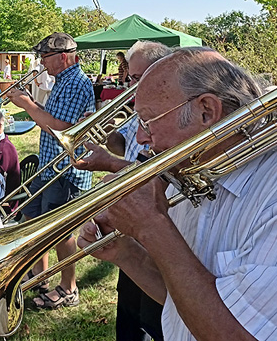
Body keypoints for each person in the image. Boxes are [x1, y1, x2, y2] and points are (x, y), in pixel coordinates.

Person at [78, 46, 277, 340]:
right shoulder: (190, 171)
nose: (139, 137)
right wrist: (125, 254)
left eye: (147, 120)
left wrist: (152, 226)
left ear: (206, 111)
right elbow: (185, 297)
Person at [74, 41, 172, 341]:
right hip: (130, 225)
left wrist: (111, 163)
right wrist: (108, 137)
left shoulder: (170, 115)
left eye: (135, 77)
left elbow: (159, 172)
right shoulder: (138, 110)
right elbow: (127, 147)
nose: (129, 84)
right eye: (129, 77)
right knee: (128, 314)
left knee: (155, 318)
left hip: (159, 226)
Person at [7, 32, 95, 310]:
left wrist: (27, 104)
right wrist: (33, 105)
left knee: (61, 234)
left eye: (45, 57)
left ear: (64, 57)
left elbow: (60, 128)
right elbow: (54, 116)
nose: (42, 63)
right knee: (35, 222)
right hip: (49, 168)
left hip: (66, 172)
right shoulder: (62, 82)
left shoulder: (75, 83)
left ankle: (69, 288)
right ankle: (39, 277)